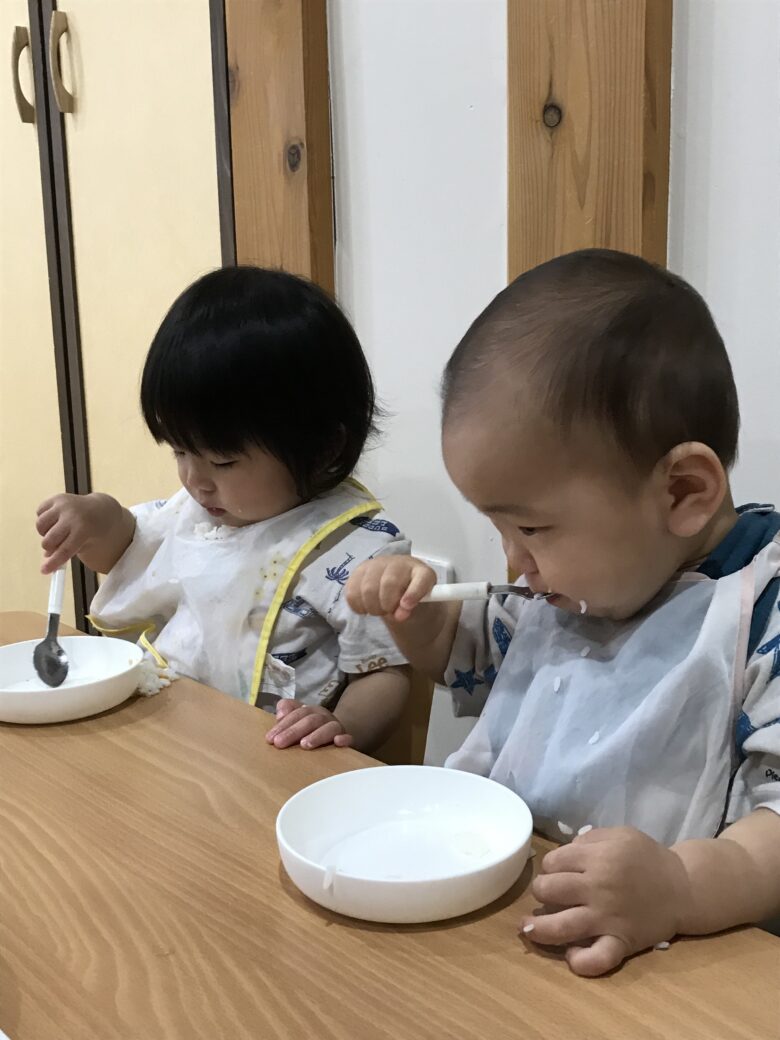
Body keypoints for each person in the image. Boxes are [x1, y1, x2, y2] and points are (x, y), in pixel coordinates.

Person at [346, 249, 780, 974]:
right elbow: (467, 660)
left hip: (674, 967)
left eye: (532, 528)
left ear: (681, 492)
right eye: (499, 530)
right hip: (505, 923)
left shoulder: (760, 613)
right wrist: (415, 616)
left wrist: (678, 887)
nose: (514, 561)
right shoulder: (568, 586)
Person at [37, 266, 410, 753]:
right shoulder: (202, 512)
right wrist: (96, 517)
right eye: (179, 451)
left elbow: (385, 674)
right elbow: (127, 548)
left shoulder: (357, 550)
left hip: (274, 761)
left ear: (324, 449)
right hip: (170, 739)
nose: (194, 480)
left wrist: (340, 726)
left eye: (223, 461)